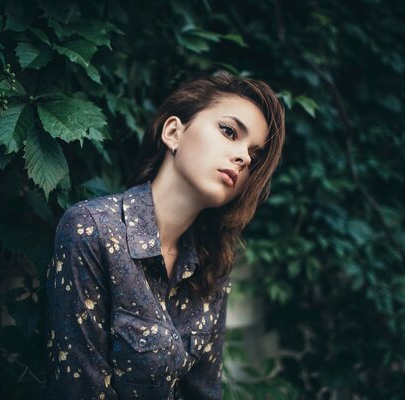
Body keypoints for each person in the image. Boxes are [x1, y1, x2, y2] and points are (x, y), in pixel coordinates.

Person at [44, 70, 286, 399]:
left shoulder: (211, 264)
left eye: (254, 156)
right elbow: (80, 389)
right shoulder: (92, 229)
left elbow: (204, 392)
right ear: (173, 132)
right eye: (229, 131)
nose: (244, 157)